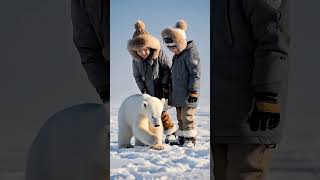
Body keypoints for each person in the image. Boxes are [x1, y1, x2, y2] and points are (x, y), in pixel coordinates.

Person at [211, 0, 289, 179]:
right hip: (219, 112)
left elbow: (273, 40)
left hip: (250, 110)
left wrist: (267, 95)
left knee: (245, 172)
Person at [127, 20, 178, 141]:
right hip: (148, 91)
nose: (142, 53)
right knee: (152, 113)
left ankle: (170, 132)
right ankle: (158, 133)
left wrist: (165, 84)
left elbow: (167, 69)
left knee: (161, 111)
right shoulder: (136, 61)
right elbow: (137, 76)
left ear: (149, 46)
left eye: (144, 49)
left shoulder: (159, 54)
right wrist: (143, 89)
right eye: (139, 51)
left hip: (162, 87)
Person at [161, 20, 201, 148]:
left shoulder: (190, 53)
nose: (172, 50)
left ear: (181, 43)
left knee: (187, 116)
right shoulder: (177, 57)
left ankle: (190, 139)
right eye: (170, 48)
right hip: (178, 94)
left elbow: (195, 74)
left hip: (189, 93)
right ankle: (182, 137)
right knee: (180, 116)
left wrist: (193, 91)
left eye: (174, 47)